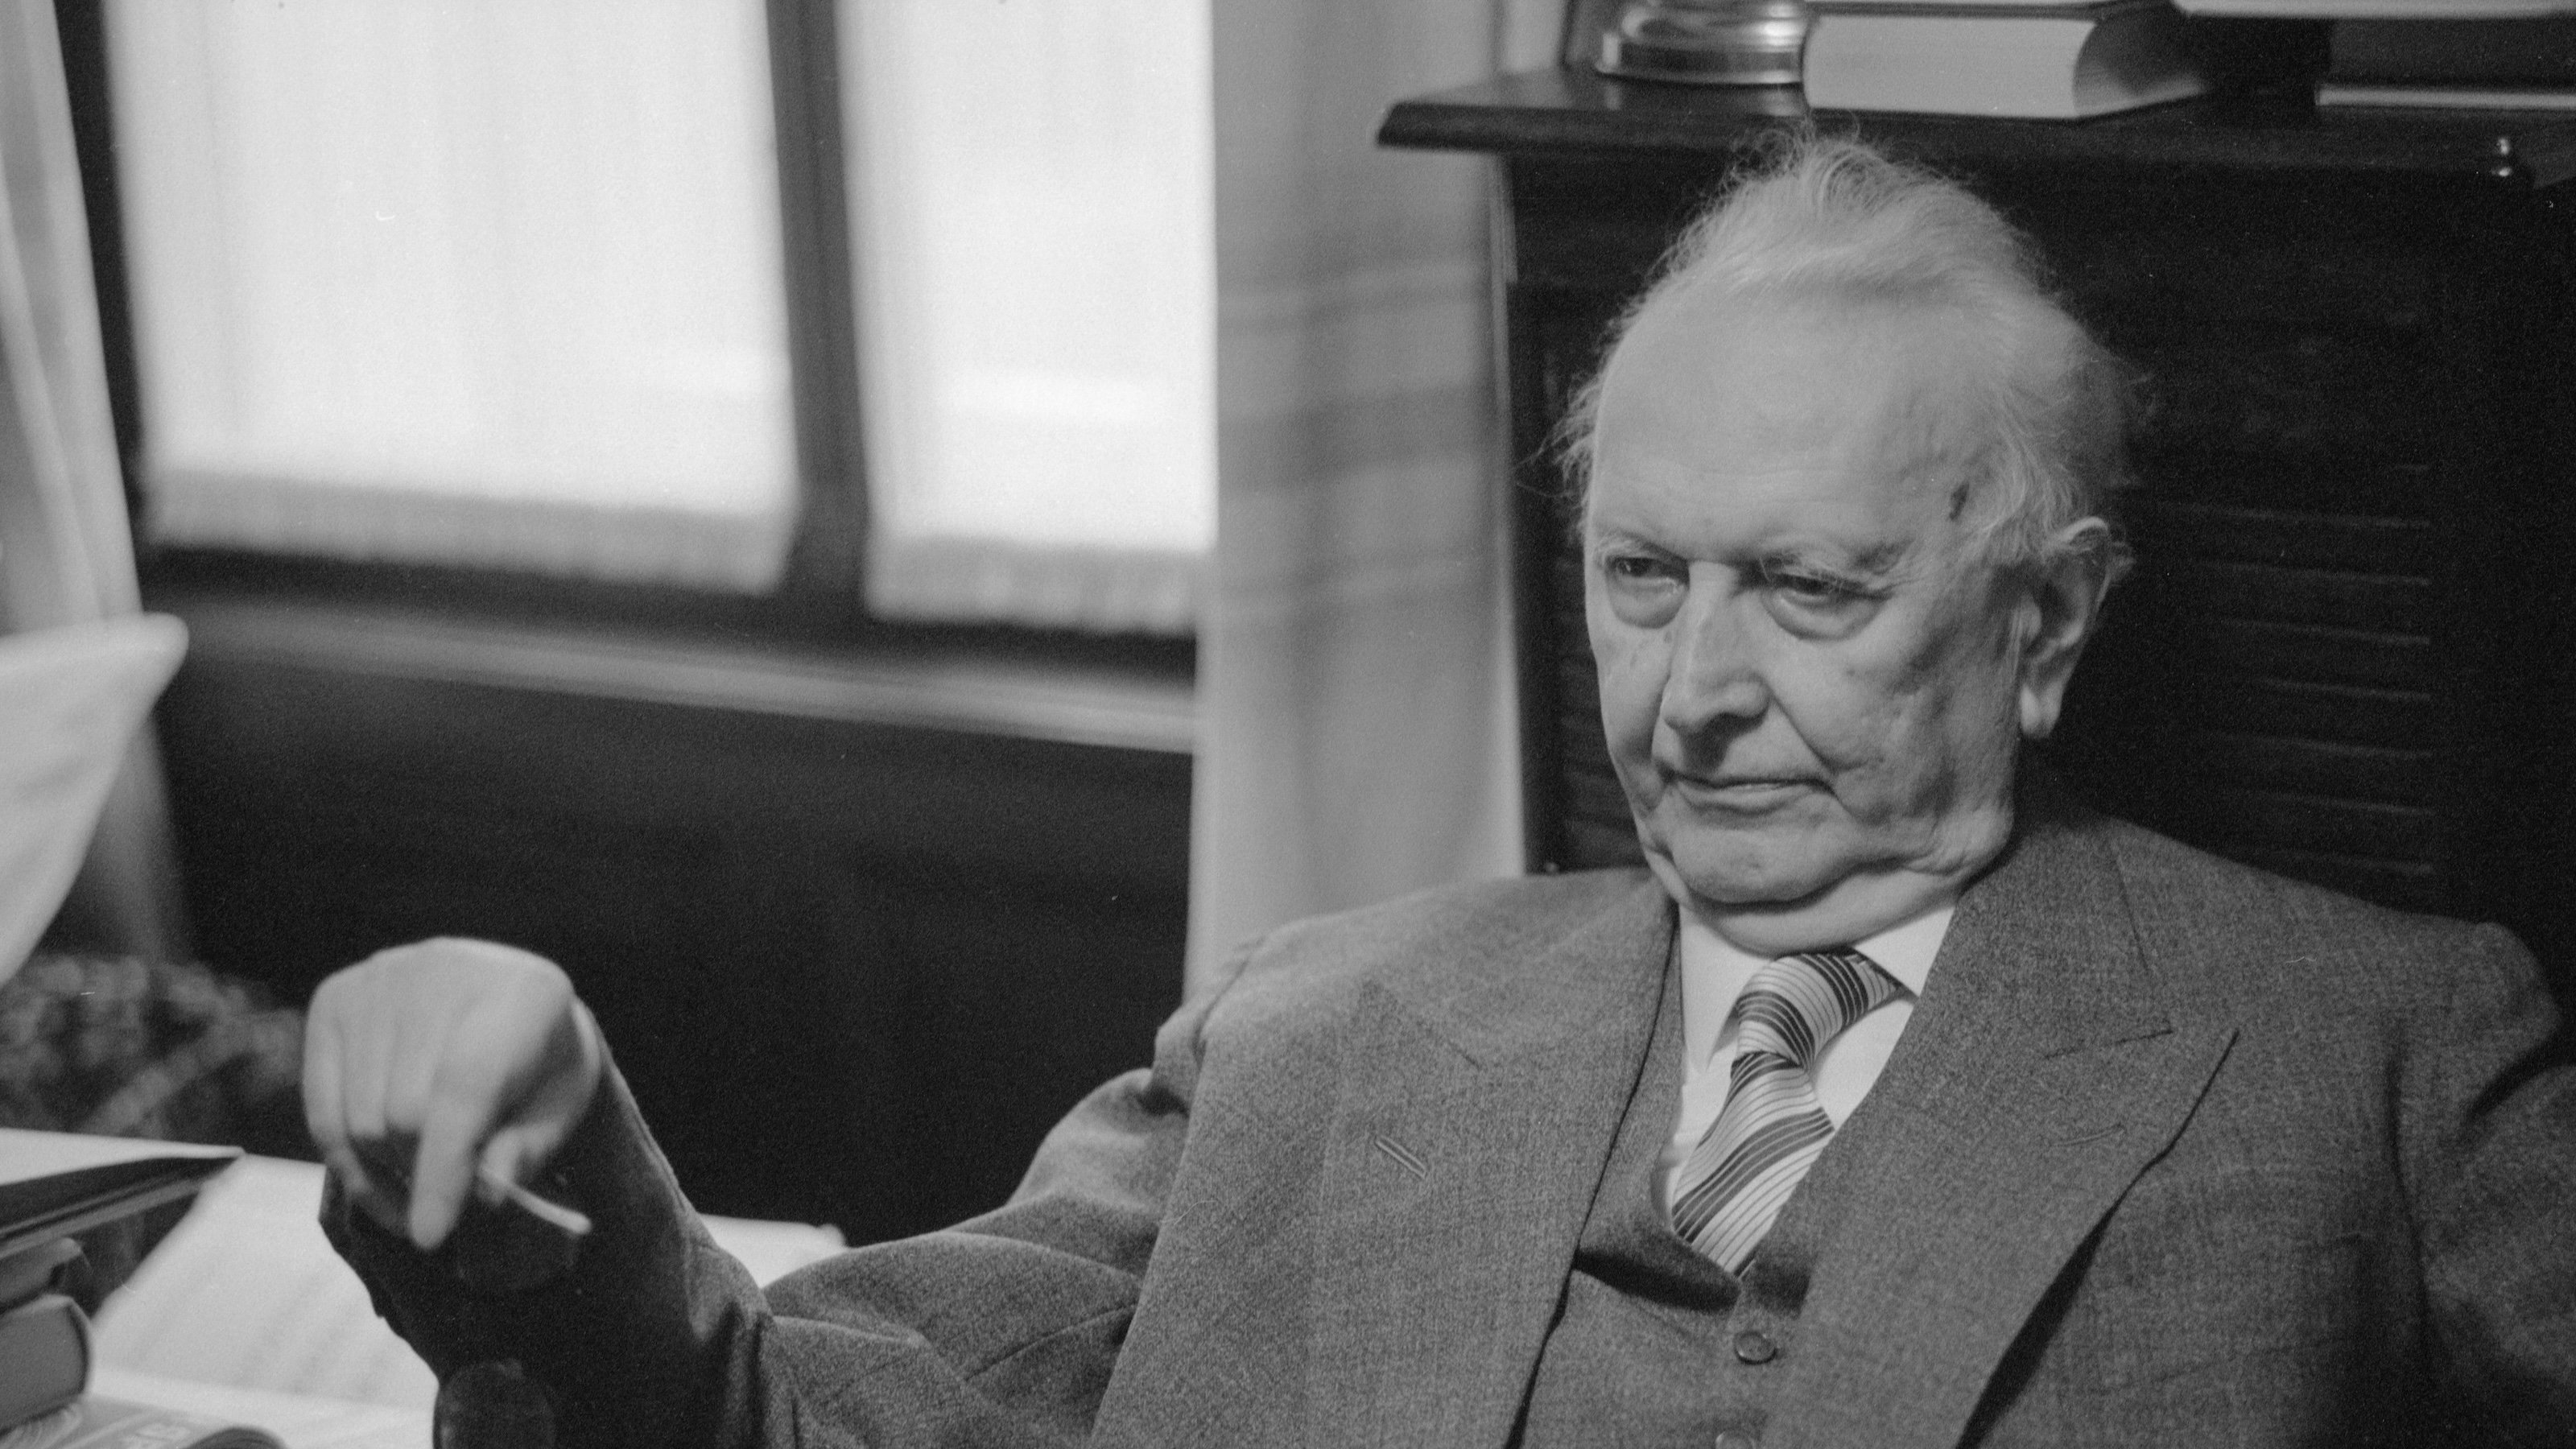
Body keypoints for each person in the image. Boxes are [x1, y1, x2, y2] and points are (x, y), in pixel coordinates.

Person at [303, 138, 2576, 1447]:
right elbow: (789, 1429)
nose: (1690, 696)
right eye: (1642, 577)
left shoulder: (2371, 1050)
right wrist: (553, 1131)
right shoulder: (1325, 1014)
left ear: (2046, 630)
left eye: (1803, 588)